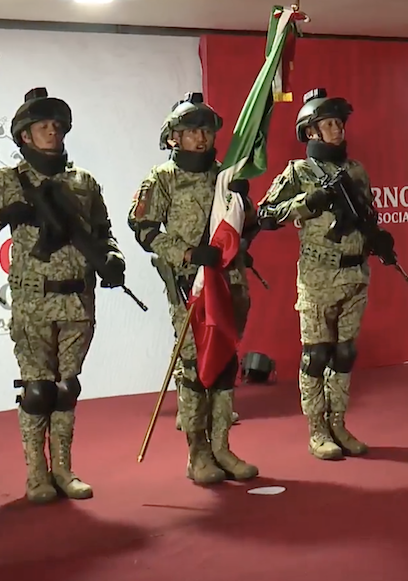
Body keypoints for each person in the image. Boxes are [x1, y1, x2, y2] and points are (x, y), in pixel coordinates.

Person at [0, 87, 126, 504]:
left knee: (67, 389)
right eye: (42, 127)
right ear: (24, 135)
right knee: (38, 391)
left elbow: (103, 231)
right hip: (33, 301)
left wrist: (113, 259)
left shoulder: (82, 182)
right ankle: (37, 474)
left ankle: (64, 469)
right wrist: (5, 213)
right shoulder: (6, 181)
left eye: (57, 125)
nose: (52, 132)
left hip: (78, 299)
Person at [127, 92, 259, 484]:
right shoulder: (162, 178)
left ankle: (222, 447)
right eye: (191, 131)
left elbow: (248, 225)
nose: (200, 138)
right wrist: (185, 253)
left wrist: (244, 203)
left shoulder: (225, 176)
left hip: (228, 281)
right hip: (192, 286)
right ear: (174, 137)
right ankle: (197, 453)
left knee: (225, 363)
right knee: (195, 368)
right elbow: (143, 229)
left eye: (206, 130)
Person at [257, 88, 394, 461]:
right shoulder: (299, 172)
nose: (337, 130)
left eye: (339, 123)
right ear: (310, 131)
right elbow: (264, 215)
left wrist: (378, 238)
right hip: (318, 277)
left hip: (354, 274)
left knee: (344, 353)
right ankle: (317, 430)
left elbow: (367, 215)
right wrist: (308, 202)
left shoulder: (356, 170)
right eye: (328, 124)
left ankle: (338, 423)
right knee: (316, 356)